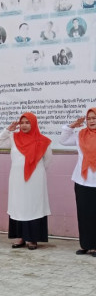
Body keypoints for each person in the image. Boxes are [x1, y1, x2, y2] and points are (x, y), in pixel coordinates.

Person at [0, 112, 52, 250]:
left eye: (28, 122)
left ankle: (32, 239)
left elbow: (47, 161)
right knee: (18, 206)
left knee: (33, 207)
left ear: (34, 124)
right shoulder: (14, 138)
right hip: (17, 179)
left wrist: (34, 171)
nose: (24, 125)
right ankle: (20, 237)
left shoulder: (44, 141)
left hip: (35, 180)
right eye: (22, 122)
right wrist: (7, 130)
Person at [59, 109, 96, 256]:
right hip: (82, 181)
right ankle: (86, 245)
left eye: (94, 118)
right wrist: (72, 125)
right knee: (84, 214)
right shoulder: (80, 135)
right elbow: (63, 140)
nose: (92, 121)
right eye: (89, 118)